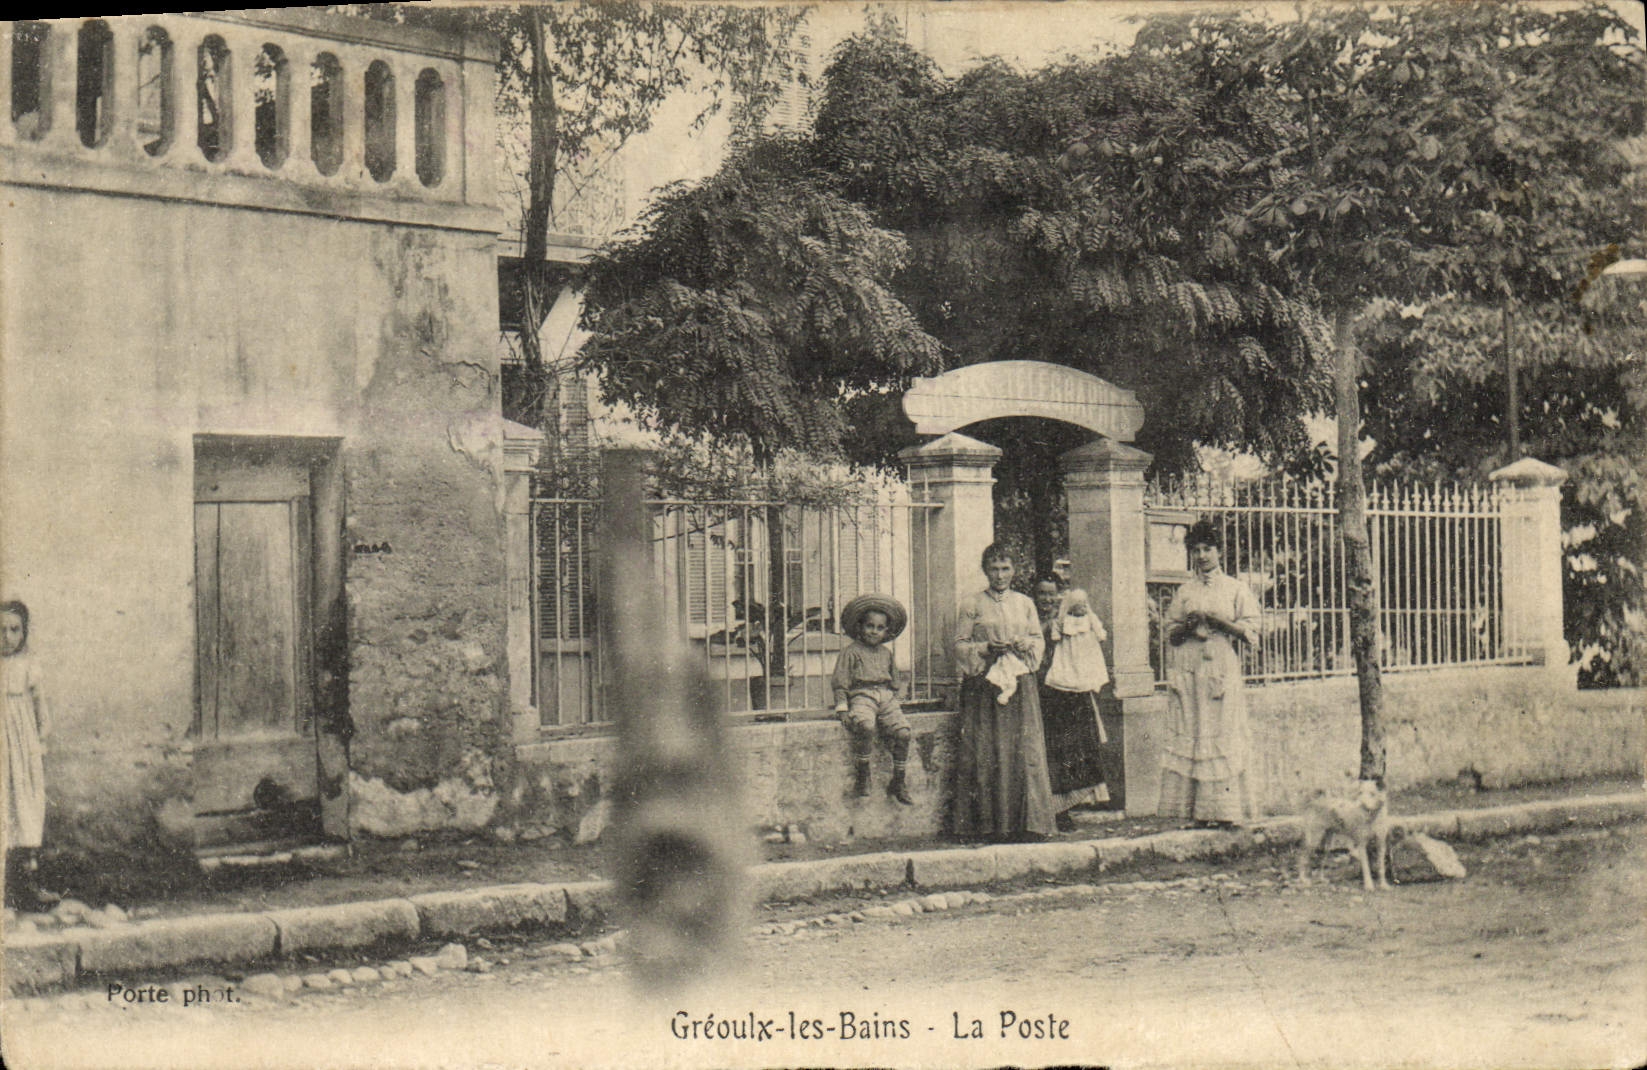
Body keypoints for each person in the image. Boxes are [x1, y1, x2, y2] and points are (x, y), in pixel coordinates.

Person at [1159, 520, 1261, 826]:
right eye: (1196, 550)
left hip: (1219, 664)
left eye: (1208, 549)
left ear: (1219, 551)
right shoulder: (1185, 591)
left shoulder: (1235, 588)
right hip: (1190, 666)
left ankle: (1225, 811)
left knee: (1221, 730)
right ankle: (1196, 812)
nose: (1202, 556)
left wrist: (1220, 622)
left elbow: (1252, 632)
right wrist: (1187, 625)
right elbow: (1170, 633)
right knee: (1194, 728)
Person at [951, 544, 1055, 841]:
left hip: (1020, 684)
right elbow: (959, 645)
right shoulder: (972, 604)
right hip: (984, 685)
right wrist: (984, 648)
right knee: (987, 750)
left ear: (1014, 570)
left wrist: (1026, 645)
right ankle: (987, 825)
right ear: (985, 570)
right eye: (994, 568)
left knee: (1022, 750)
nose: (1000, 575)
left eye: (1005, 568)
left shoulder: (1025, 604)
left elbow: (1038, 641)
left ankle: (1027, 824)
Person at [1036, 582, 1111, 832]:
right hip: (1043, 691)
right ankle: (1049, 810)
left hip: (1071, 692)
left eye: (1052, 594)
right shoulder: (1032, 620)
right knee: (1050, 749)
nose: (1047, 599)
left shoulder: (1073, 618)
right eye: (1041, 594)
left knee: (1072, 748)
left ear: (1060, 597)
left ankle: (1066, 808)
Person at [833, 593, 914, 804]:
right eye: (870, 626)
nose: (874, 631)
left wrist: (897, 698)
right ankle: (863, 774)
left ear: (886, 631)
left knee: (904, 733)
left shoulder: (886, 653)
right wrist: (842, 708)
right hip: (862, 695)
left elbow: (895, 680)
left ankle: (899, 780)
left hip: (885, 697)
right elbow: (840, 682)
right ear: (860, 627)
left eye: (880, 628)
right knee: (865, 726)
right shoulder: (850, 652)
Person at [3, 600, 50, 910]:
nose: (7, 636)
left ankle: (26, 886)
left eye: (14, 630)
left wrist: (40, 740)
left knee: (25, 804)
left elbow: (41, 710)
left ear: (24, 632)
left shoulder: (29, 667)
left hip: (22, 750)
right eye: (1, 630)